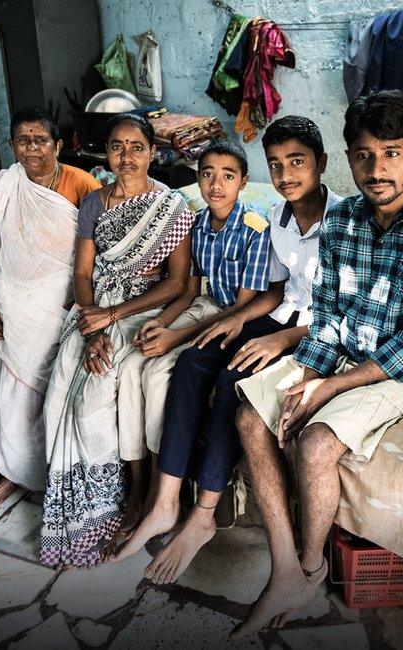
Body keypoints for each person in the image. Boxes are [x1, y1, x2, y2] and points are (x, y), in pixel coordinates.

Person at [231, 90, 403, 637]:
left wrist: (331, 387)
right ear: (348, 159)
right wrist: (308, 374)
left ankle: (311, 567)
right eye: (364, 155)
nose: (377, 168)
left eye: (392, 153)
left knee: (315, 443)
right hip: (340, 352)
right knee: (252, 414)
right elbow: (331, 313)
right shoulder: (340, 221)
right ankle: (286, 568)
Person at [133, 116, 342, 585]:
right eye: (277, 165)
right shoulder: (278, 218)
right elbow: (276, 293)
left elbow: (341, 311)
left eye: (297, 162)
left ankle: (204, 512)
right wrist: (238, 319)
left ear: (321, 164)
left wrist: (280, 338)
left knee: (234, 380)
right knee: (191, 362)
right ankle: (166, 501)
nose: (286, 175)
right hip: (280, 315)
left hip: (316, 330)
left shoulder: (345, 222)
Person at [39, 113, 196, 568]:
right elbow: (84, 273)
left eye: (136, 147)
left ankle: (119, 501)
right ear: (105, 154)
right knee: (63, 386)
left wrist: (115, 316)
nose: (126, 157)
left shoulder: (171, 208)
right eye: (116, 147)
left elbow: (175, 283)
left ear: (153, 153)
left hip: (140, 311)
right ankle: (79, 508)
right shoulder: (94, 203)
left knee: (97, 394)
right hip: (95, 312)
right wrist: (92, 329)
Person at [111, 138, 272, 562]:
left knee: (159, 372)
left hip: (235, 314)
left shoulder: (255, 229)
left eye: (228, 176)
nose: (216, 185)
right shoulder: (198, 224)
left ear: (243, 182)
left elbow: (241, 308)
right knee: (131, 365)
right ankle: (140, 477)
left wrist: (176, 338)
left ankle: (170, 491)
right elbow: (189, 291)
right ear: (196, 179)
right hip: (203, 306)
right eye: (207, 174)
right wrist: (161, 323)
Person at [0, 107, 102, 516]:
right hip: (9, 300)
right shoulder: (6, 184)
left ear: (58, 145)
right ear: (12, 145)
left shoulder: (82, 184)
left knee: (36, 392)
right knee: (1, 387)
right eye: (23, 140)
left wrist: (84, 306)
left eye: (41, 140)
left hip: (58, 305)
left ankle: (21, 474)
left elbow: (98, 253)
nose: (32, 148)